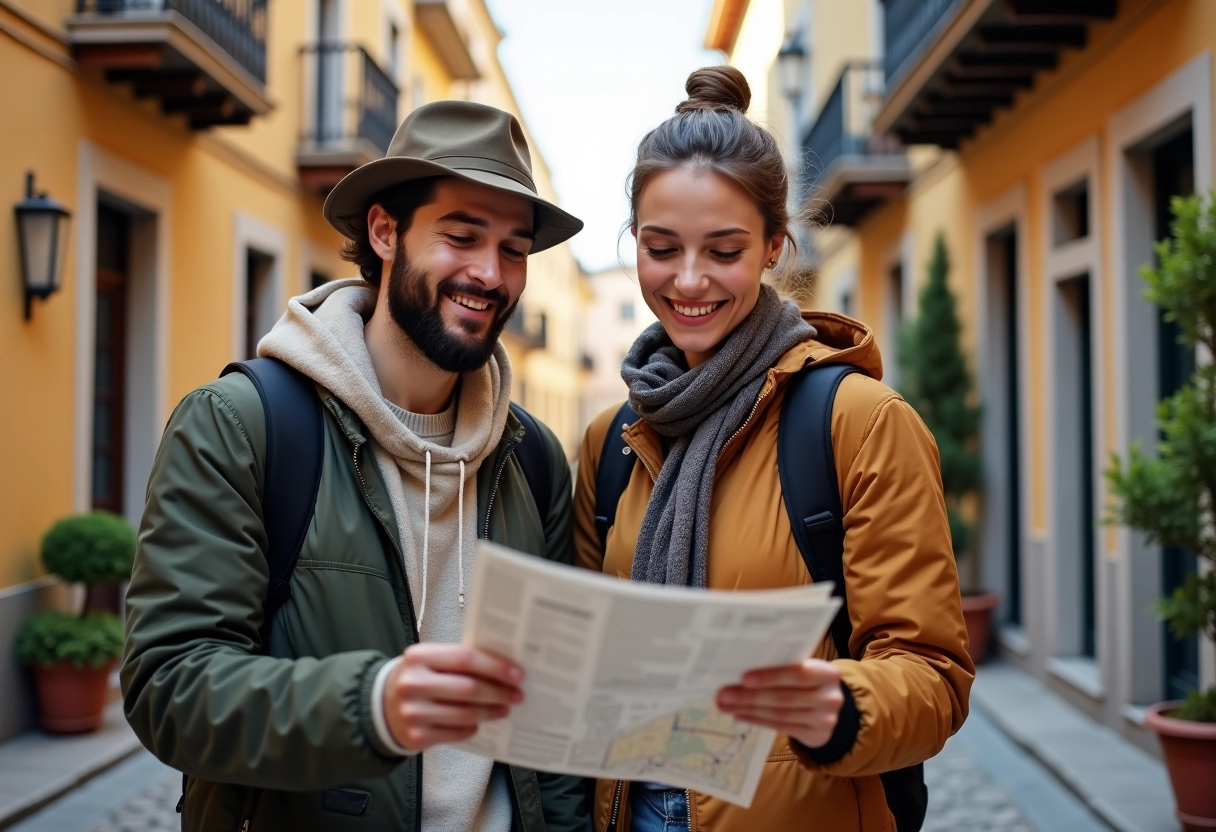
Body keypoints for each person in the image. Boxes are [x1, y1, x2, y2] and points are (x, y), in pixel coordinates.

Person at [122, 101, 591, 832]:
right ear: (384, 232)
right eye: (462, 236)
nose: (490, 273)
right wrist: (372, 705)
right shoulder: (240, 424)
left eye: (513, 249)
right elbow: (170, 688)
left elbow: (553, 711)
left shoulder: (532, 458)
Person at [573, 67, 974, 832]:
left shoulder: (858, 421)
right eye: (662, 249)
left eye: (723, 251)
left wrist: (836, 705)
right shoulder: (614, 440)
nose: (688, 280)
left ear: (772, 247)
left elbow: (934, 678)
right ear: (634, 245)